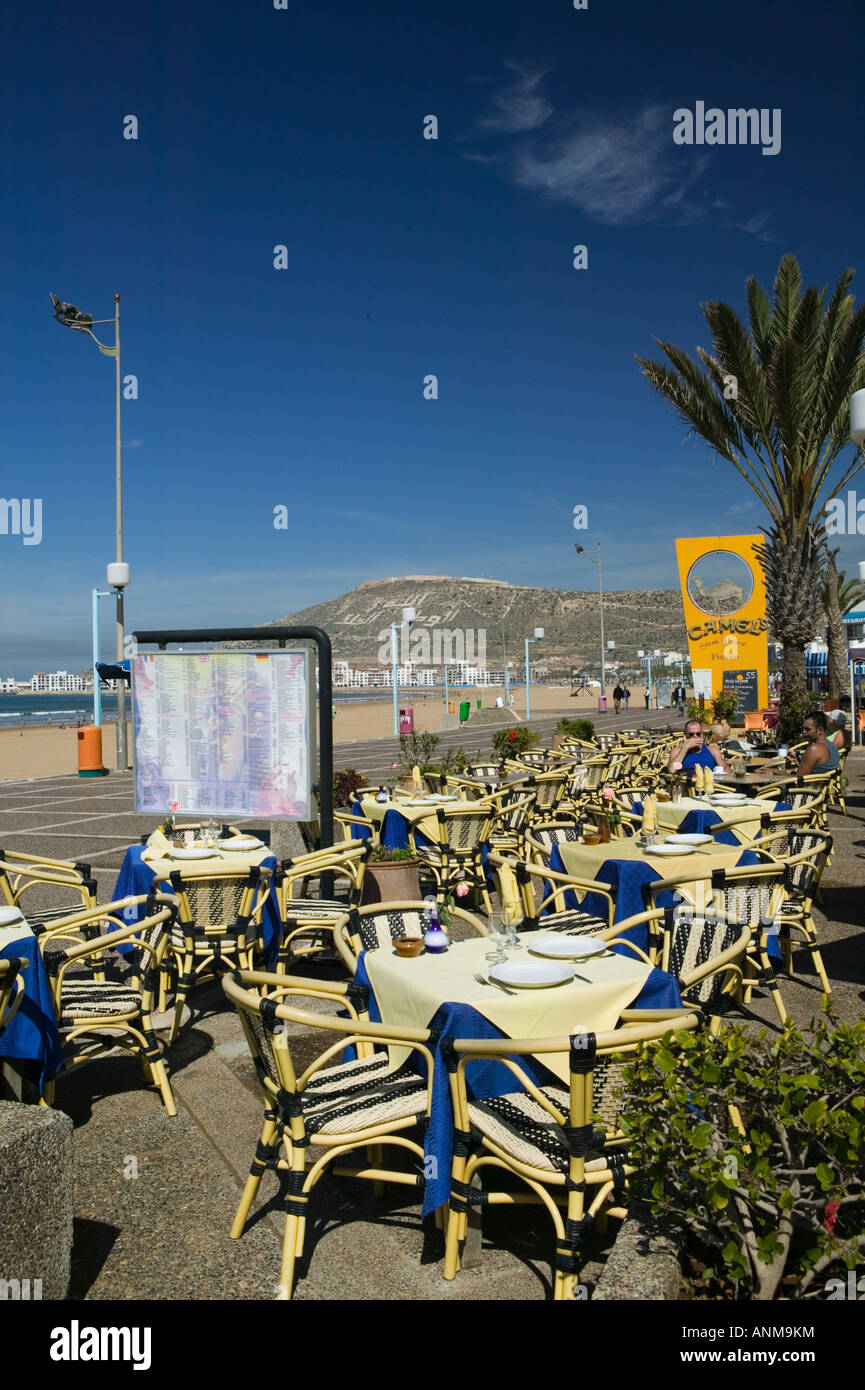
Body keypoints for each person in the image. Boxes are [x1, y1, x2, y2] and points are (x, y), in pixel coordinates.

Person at [793, 710, 841, 775]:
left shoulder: (814, 749)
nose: (803, 732)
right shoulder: (832, 746)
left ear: (819, 730)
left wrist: (777, 772)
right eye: (803, 729)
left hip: (811, 784)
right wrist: (797, 760)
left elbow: (798, 779)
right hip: (823, 783)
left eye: (807, 729)